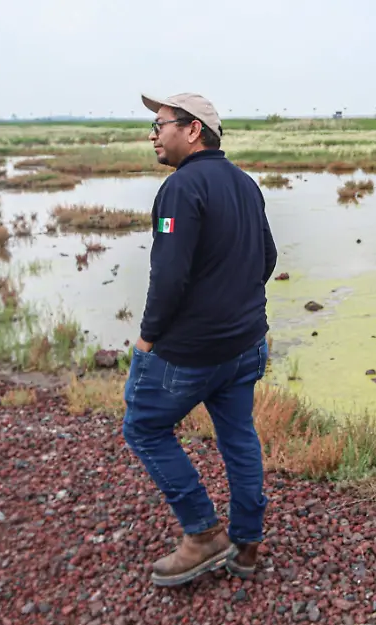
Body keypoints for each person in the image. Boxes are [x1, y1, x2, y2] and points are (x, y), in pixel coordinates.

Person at [122, 92, 278, 587]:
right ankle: (247, 544)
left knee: (143, 427)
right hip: (246, 343)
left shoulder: (180, 188)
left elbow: (168, 276)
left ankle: (203, 534)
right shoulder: (245, 184)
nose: (153, 134)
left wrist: (148, 339)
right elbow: (268, 258)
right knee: (238, 436)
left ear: (192, 131)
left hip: (191, 353)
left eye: (159, 123)